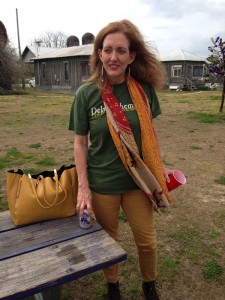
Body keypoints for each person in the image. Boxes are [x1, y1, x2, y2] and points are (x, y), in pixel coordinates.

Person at [69, 19, 173, 300]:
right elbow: (80, 143)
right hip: (103, 182)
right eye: (107, 50)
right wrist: (83, 186)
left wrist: (158, 166)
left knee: (147, 242)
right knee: (108, 242)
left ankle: (149, 285)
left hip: (138, 182)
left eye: (121, 51)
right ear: (99, 53)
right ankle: (112, 286)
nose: (113, 57)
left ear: (131, 56)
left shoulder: (143, 91)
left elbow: (149, 134)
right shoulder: (86, 94)